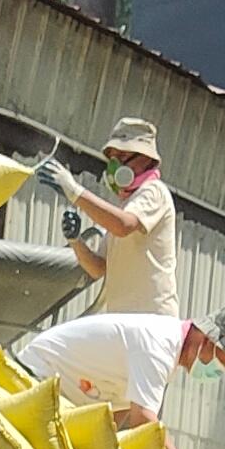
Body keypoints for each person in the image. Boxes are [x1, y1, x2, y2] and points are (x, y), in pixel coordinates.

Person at [10, 302, 225, 428]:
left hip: (53, 401)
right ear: (207, 339)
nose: (220, 371)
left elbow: (113, 416)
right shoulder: (160, 345)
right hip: (31, 381)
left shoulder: (168, 358)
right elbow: (143, 421)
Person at [39, 119, 182, 317]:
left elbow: (123, 225)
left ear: (145, 158)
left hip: (152, 319)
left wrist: (75, 191)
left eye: (122, 156)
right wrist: (75, 240)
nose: (115, 165)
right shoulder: (127, 205)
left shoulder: (154, 191)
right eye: (112, 159)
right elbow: (98, 268)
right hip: (124, 318)